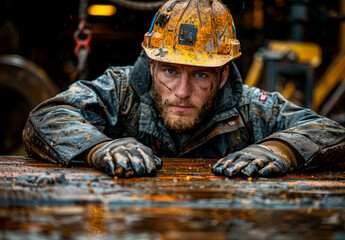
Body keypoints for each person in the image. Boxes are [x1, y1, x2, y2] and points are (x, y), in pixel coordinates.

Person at [23, 0, 345, 178]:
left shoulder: (252, 108)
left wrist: (281, 149)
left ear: (221, 77)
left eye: (201, 76)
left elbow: (330, 131)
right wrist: (97, 148)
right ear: (151, 67)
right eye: (170, 70)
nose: (181, 91)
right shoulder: (120, 92)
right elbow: (48, 115)